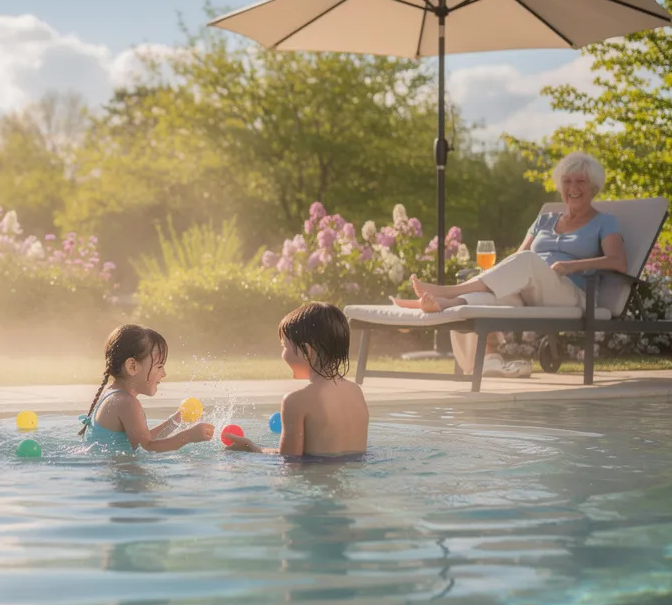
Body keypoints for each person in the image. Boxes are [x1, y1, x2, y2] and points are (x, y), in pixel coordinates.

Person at [393, 152, 627, 376]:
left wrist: (572, 266)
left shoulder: (605, 222)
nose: (573, 188)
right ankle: (452, 311)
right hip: (529, 291)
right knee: (480, 300)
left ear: (594, 187)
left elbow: (618, 262)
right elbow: (517, 256)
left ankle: (447, 291)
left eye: (581, 182)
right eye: (567, 181)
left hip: (570, 292)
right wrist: (492, 278)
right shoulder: (545, 220)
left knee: (527, 261)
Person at [227, 302, 369, 458]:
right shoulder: (356, 392)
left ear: (307, 351)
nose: (283, 354)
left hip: (315, 479)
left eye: (285, 347)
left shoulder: (296, 401)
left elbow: (289, 460)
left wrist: (252, 447)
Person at [78, 324, 215, 452]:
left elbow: (143, 438)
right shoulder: (127, 403)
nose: (164, 373)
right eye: (159, 366)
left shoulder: (113, 395)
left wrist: (175, 420)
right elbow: (146, 447)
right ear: (133, 366)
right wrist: (188, 437)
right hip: (122, 472)